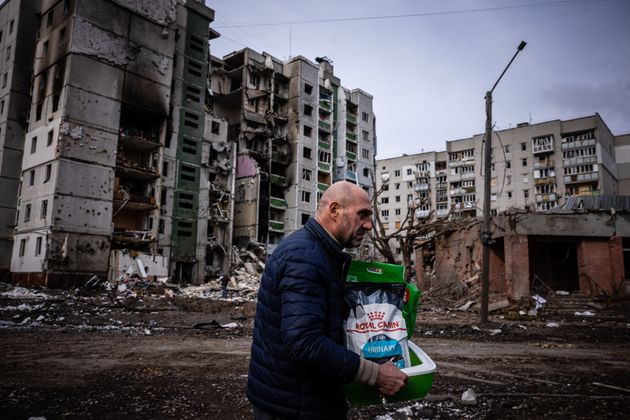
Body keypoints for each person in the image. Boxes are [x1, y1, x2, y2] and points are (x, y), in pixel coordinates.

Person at [247, 181, 408, 419]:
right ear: (334, 210)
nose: (369, 225)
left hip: (293, 397)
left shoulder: (318, 252)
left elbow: (318, 320)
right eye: (362, 215)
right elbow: (303, 342)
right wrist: (375, 374)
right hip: (295, 406)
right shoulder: (305, 258)